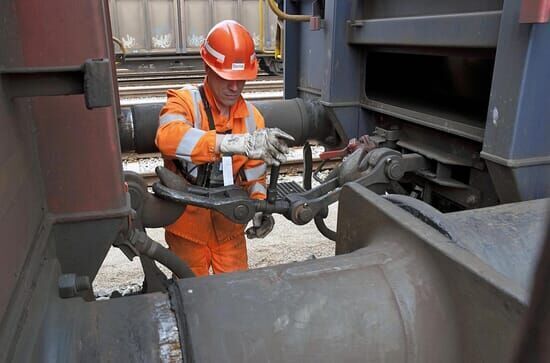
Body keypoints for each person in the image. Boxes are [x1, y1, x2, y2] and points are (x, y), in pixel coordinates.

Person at [155, 20, 294, 276]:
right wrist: (230, 143)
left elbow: (254, 176)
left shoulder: (253, 118)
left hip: (230, 229)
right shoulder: (184, 101)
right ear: (207, 67)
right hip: (187, 230)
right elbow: (168, 137)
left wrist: (259, 207)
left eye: (241, 79)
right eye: (226, 77)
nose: (234, 87)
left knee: (234, 298)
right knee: (192, 299)